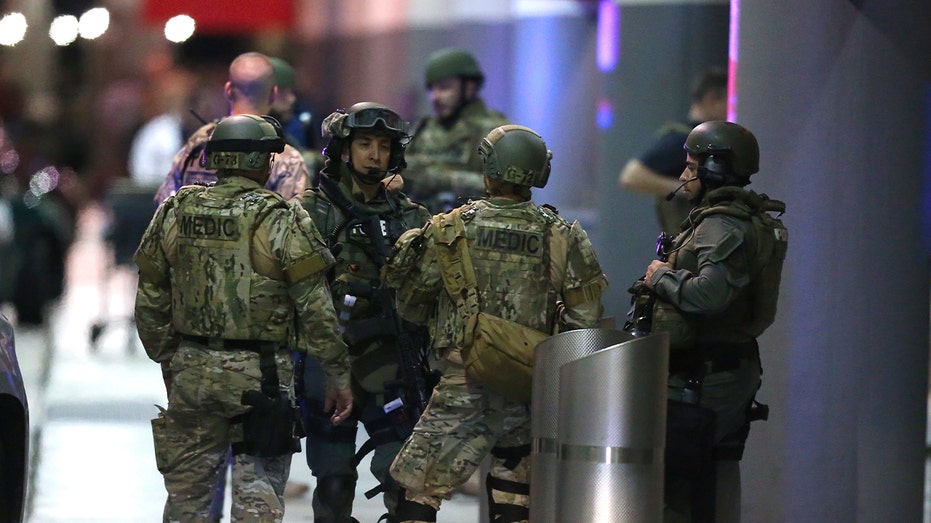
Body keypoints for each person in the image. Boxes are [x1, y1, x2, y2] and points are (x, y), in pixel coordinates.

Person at [382, 124, 609, 522]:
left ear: (489, 170)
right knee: (514, 490)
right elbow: (584, 321)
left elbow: (412, 304)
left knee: (415, 488)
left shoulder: (451, 228)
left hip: (464, 381)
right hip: (529, 385)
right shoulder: (562, 234)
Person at [133, 113, 354, 522]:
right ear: (258, 161)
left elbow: (150, 295)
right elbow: (315, 307)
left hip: (192, 370)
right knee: (258, 502)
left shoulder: (176, 210)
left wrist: (169, 357)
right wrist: (337, 372)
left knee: (186, 500)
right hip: (262, 377)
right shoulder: (281, 218)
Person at [641, 121, 787, 523]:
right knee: (713, 480)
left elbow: (710, 295)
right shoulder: (735, 218)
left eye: (691, 166)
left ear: (714, 169)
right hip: (719, 371)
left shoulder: (722, 224)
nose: (683, 175)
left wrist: (660, 276)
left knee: (677, 490)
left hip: (703, 377)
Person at [294, 102, 432, 522]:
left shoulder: (412, 216)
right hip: (326, 359)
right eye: (365, 144)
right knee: (334, 483)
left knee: (404, 479)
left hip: (390, 362)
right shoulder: (312, 211)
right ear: (344, 149)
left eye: (384, 146)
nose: (375, 155)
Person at [153, 52, 308, 206]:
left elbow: (164, 204)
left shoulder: (197, 143)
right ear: (273, 94)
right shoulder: (287, 158)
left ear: (228, 90)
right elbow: (293, 216)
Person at [618, 66, 728, 234]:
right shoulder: (682, 139)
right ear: (712, 99)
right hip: (689, 239)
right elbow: (631, 176)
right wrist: (686, 189)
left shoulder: (699, 138)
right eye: (729, 100)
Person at [403, 48, 511, 213]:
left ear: (470, 87)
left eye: (444, 88)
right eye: (431, 89)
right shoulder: (422, 130)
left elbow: (507, 189)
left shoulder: (496, 132)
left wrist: (436, 179)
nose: (435, 97)